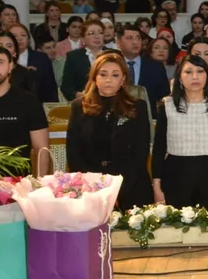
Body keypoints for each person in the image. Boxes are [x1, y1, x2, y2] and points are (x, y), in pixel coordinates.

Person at [66, 51, 153, 211]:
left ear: (123, 79)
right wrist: (92, 187)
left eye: (115, 75)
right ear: (94, 78)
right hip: (91, 187)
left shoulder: (137, 106)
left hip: (131, 185)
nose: (108, 80)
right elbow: (74, 151)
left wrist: (119, 190)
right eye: (103, 74)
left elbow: (140, 152)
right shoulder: (79, 106)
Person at [151, 55, 208, 208]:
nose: (195, 76)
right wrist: (157, 186)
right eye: (188, 72)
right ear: (179, 77)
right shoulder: (167, 105)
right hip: (175, 174)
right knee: (176, 227)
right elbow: (158, 149)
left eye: (200, 71)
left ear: (207, 76)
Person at [116, 22, 170, 107]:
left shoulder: (156, 67)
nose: (135, 42)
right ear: (118, 43)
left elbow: (164, 97)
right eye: (130, 38)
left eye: (138, 38)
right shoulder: (114, 65)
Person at [60, 19, 107, 100]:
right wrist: (77, 95)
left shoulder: (114, 55)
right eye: (91, 33)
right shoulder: (74, 57)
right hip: (84, 103)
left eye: (100, 33)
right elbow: (66, 87)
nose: (97, 36)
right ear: (83, 38)